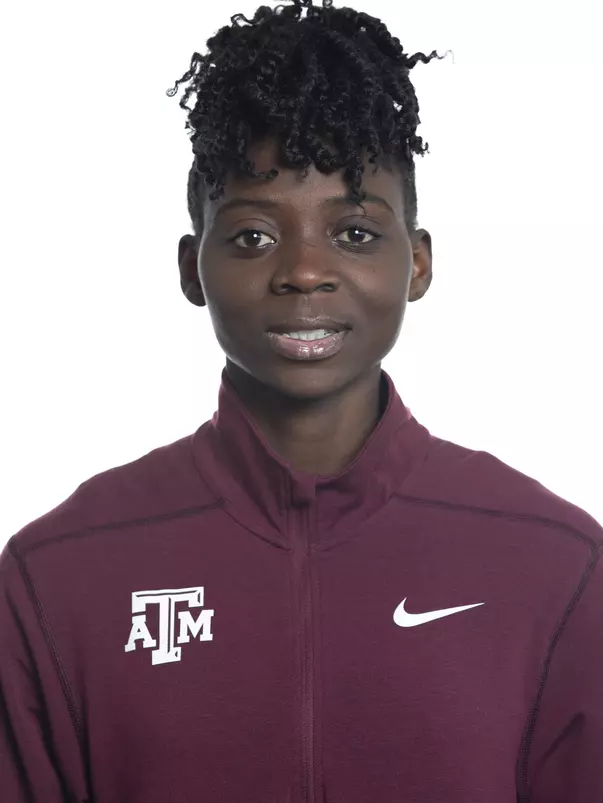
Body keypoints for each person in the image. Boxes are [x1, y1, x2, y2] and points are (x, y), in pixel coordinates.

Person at [1, 0, 601, 800]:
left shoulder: (554, 563)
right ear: (191, 267)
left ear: (417, 263)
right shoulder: (60, 572)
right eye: (252, 235)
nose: (305, 271)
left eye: (353, 232)